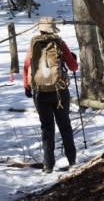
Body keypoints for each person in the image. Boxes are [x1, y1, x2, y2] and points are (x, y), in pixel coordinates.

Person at [23, 17, 78, 173]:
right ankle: (72, 159)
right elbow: (73, 68)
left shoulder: (33, 45)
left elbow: (27, 67)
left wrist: (27, 86)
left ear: (39, 29)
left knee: (47, 128)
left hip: (40, 93)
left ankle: (48, 165)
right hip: (60, 92)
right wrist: (72, 58)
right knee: (64, 125)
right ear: (53, 29)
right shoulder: (60, 44)